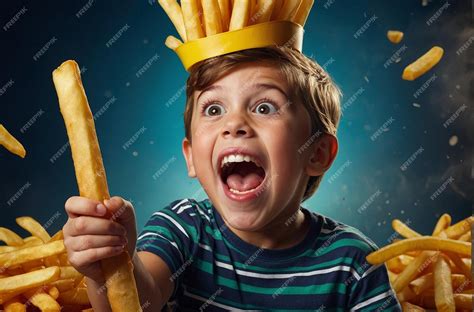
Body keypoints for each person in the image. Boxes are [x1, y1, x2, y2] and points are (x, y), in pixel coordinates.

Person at [63, 2, 401, 311]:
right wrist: (110, 264)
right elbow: (142, 299)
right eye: (213, 108)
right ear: (191, 156)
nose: (234, 123)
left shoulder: (354, 262)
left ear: (317, 153)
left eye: (265, 107)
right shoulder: (184, 228)